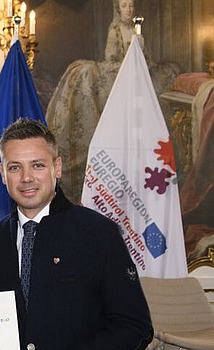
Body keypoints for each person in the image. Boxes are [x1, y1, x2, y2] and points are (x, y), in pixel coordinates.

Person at [0, 118, 152, 350]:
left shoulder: (97, 233)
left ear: (56, 168)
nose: (26, 177)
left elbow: (134, 327)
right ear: (2, 173)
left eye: (38, 165)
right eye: (15, 167)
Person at [46, 0, 178, 203]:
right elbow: (111, 59)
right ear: (118, 9)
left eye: (131, 6)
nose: (129, 9)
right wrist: (130, 61)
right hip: (118, 70)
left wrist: (141, 53)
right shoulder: (114, 30)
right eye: (125, 6)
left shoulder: (137, 30)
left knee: (163, 79)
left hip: (136, 69)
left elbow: (147, 58)